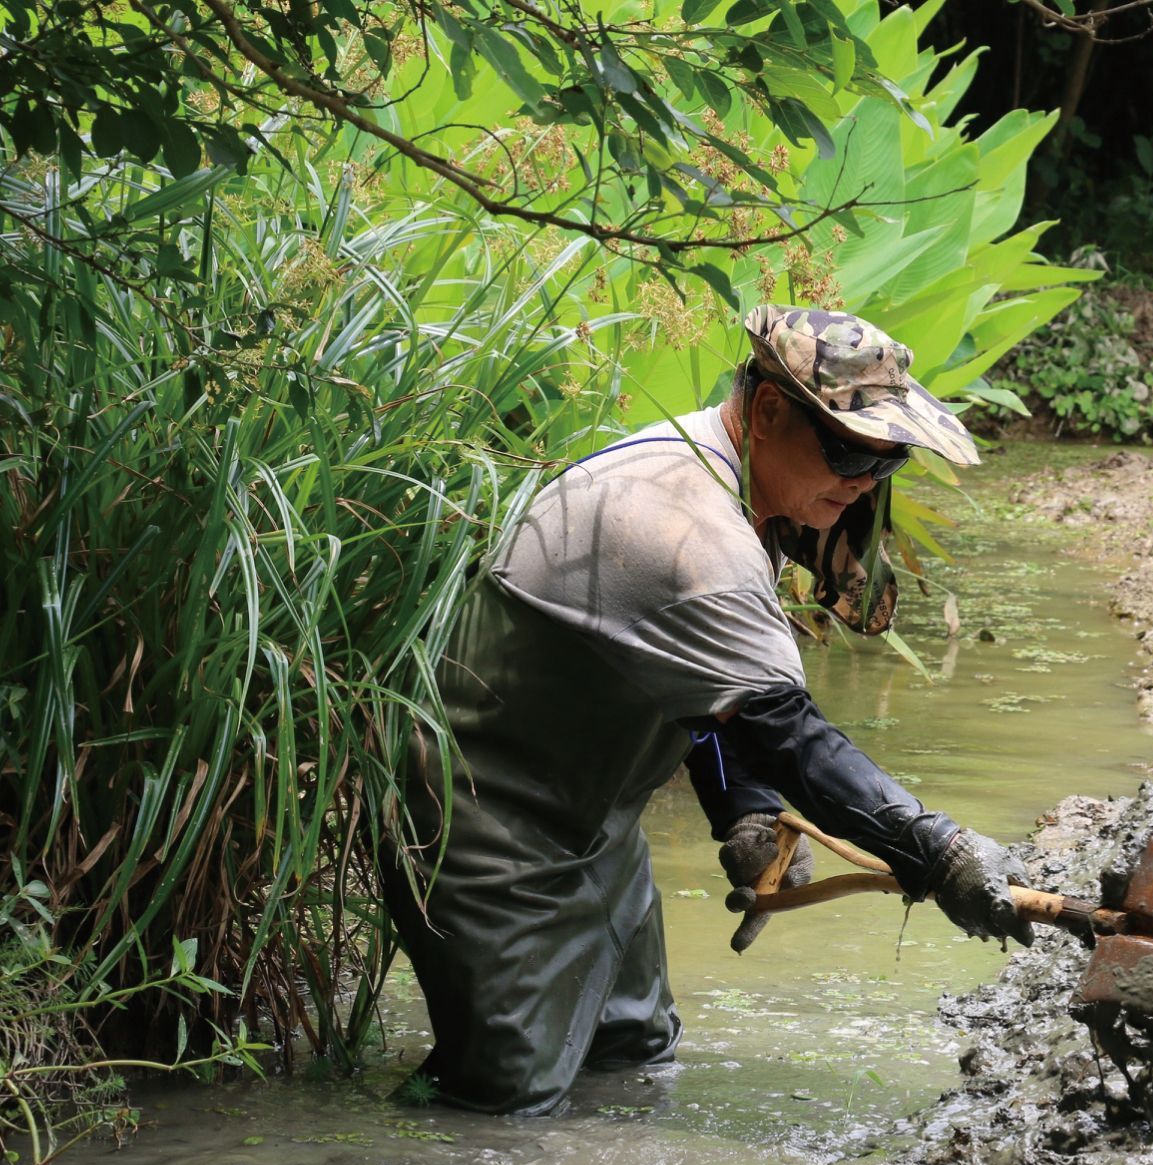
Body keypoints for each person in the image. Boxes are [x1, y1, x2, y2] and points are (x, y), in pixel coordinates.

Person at [380, 305, 1034, 1116]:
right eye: (845, 452)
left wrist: (745, 810)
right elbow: (787, 733)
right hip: (486, 825)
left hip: (591, 825)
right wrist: (938, 853)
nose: (862, 483)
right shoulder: (689, 528)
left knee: (633, 1053)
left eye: (887, 461)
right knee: (498, 1100)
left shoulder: (729, 474)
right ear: (767, 411)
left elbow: (699, 696)